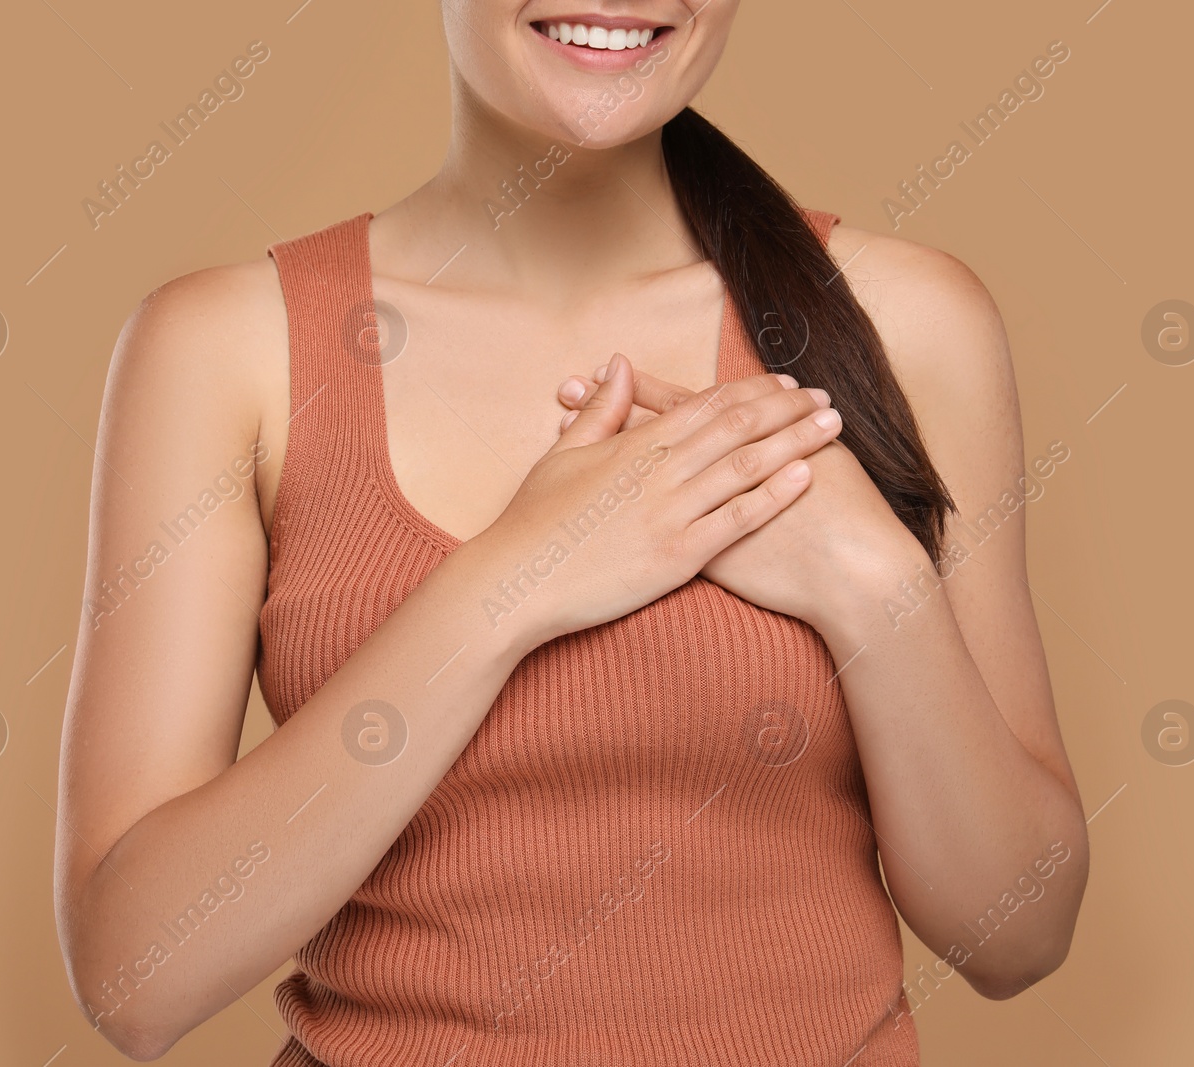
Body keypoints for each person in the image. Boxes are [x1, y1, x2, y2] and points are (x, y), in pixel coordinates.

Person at [53, 3, 1090, 1063]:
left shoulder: (904, 324)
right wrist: (513, 583)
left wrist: (870, 582)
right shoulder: (228, 350)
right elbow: (138, 976)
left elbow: (1017, 933)